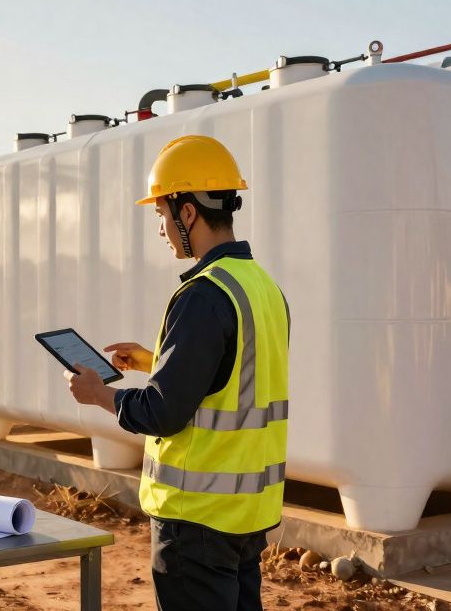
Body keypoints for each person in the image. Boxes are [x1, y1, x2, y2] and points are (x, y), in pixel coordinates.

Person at [65, 134, 290, 611]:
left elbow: (162, 413)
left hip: (197, 520)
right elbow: (237, 372)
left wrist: (99, 394)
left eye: (161, 215)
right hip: (247, 516)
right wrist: (155, 361)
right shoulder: (263, 287)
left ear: (187, 213)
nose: (162, 229)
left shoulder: (203, 295)